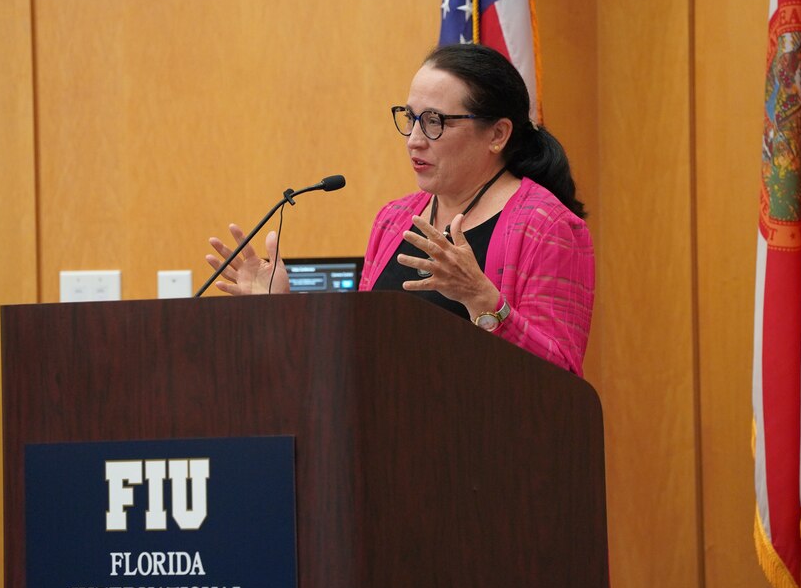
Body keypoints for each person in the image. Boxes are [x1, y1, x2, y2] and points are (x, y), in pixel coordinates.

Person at [207, 43, 594, 376]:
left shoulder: (548, 226)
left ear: (497, 134)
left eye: (434, 122)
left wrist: (482, 299)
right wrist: (281, 313)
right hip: (393, 445)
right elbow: (358, 354)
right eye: (410, 119)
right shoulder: (393, 219)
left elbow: (561, 379)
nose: (413, 140)